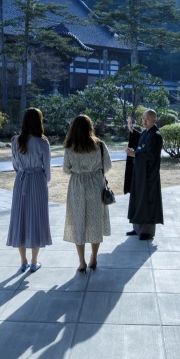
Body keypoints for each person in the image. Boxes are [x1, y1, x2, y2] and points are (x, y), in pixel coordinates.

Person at [62, 114, 112, 272]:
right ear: (90, 127)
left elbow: (65, 170)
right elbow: (108, 166)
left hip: (77, 186)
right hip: (96, 185)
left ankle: (81, 261)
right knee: (95, 222)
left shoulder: (70, 148)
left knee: (79, 222)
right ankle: (94, 258)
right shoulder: (100, 145)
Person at [7, 107, 52, 272]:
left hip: (21, 180)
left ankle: (23, 261)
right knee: (36, 219)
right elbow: (47, 169)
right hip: (37, 181)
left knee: (21, 219)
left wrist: (22, 173)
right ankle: (34, 261)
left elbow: (15, 165)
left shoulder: (15, 141)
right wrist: (43, 180)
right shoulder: (42, 142)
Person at [125, 109, 163, 240]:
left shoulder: (156, 135)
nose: (144, 121)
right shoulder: (146, 133)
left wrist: (136, 154)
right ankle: (137, 228)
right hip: (140, 172)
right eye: (143, 118)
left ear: (154, 120)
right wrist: (133, 150)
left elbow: (152, 155)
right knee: (137, 199)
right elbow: (140, 144)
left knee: (147, 201)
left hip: (149, 175)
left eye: (147, 118)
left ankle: (147, 231)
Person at [123, 114, 141, 195]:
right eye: (128, 122)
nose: (129, 123)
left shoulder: (148, 133)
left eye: (130, 122)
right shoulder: (134, 133)